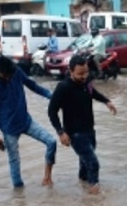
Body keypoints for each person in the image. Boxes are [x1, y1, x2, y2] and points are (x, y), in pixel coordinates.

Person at [0, 56, 57, 188]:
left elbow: (32, 85)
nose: (7, 78)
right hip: (8, 128)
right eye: (4, 76)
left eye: (9, 75)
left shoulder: (16, 72)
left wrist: (51, 96)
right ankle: (19, 198)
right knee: (14, 161)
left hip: (26, 121)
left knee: (51, 142)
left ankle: (47, 178)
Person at [48, 55, 117, 194]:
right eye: (80, 73)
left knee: (85, 166)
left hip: (89, 130)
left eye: (86, 72)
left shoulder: (86, 83)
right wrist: (61, 132)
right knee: (93, 163)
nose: (84, 76)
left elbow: (93, 93)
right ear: (71, 71)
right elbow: (51, 111)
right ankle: (95, 198)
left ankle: (83, 192)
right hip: (75, 133)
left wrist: (106, 101)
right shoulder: (63, 87)